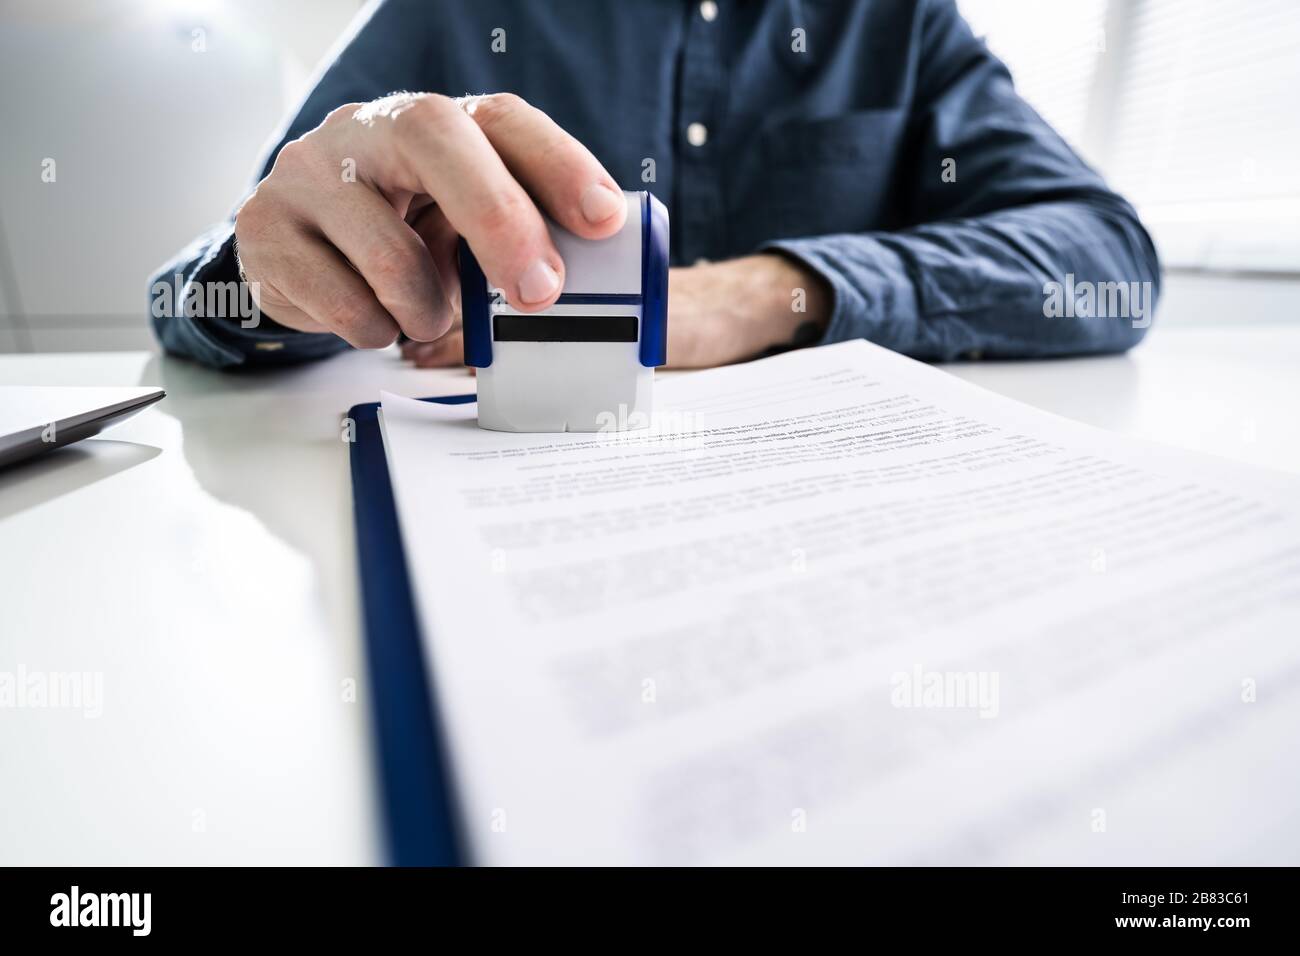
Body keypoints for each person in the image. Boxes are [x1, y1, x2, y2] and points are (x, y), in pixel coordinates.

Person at [149, 0, 1160, 371]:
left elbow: (1108, 257)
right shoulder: (448, 12)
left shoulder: (899, 22)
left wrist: (763, 293)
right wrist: (262, 269)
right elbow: (215, 286)